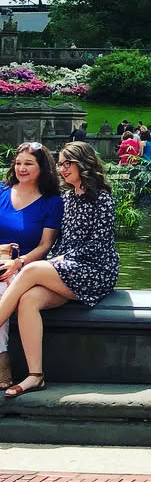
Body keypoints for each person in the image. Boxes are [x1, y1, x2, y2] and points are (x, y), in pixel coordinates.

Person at [0, 141, 119, 398]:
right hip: (68, 269)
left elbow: (98, 245)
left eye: (67, 164)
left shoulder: (102, 198)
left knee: (30, 271)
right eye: (61, 164)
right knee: (28, 300)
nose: (62, 169)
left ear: (83, 164)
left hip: (95, 270)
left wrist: (57, 260)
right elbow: (58, 243)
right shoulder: (66, 198)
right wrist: (58, 259)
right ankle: (35, 376)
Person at [0, 142, 63, 388]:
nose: (21, 168)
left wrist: (18, 262)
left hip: (24, 266)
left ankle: (2, 362)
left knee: (2, 289)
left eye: (28, 163)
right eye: (18, 163)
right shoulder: (2, 191)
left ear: (42, 168)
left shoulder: (52, 202)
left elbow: (45, 245)